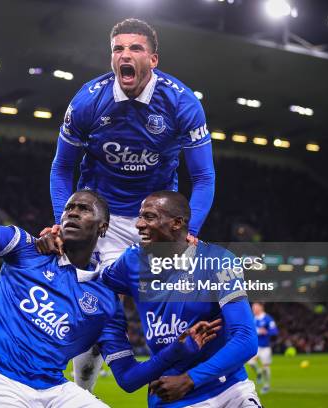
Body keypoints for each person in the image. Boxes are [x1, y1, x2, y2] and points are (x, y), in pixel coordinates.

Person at [0, 117, 221, 407]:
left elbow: (129, 378)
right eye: (69, 207)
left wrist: (177, 350)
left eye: (84, 209)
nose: (71, 212)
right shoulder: (26, 248)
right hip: (1, 379)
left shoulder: (106, 299)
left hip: (54, 387)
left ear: (103, 227)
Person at [49, 17, 216, 390]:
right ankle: (81, 393)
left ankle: (201, 387)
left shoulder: (182, 102)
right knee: (93, 313)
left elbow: (203, 177)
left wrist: (190, 228)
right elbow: (62, 167)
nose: (125, 54)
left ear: (153, 59)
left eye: (135, 48)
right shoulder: (88, 100)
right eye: (118, 49)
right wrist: (63, 220)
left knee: (181, 308)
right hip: (100, 221)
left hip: (153, 223)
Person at [98, 190, 261, 407]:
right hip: (171, 396)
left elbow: (246, 339)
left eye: (149, 216)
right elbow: (97, 289)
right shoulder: (131, 261)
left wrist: (190, 379)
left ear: (177, 223)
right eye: (140, 216)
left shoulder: (218, 261)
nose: (138, 224)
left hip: (229, 389)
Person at [247, 302, 278, 394]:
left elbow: (274, 331)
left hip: (265, 348)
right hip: (255, 347)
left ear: (261, 307)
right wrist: (257, 331)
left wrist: (266, 332)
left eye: (255, 307)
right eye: (253, 308)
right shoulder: (252, 319)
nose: (254, 309)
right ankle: (258, 372)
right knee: (251, 363)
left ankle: (266, 385)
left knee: (266, 368)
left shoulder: (267, 318)